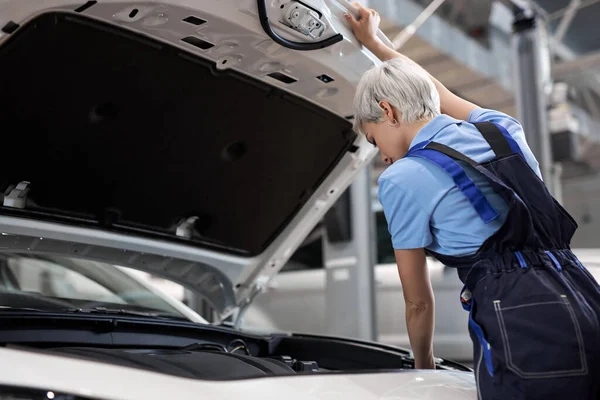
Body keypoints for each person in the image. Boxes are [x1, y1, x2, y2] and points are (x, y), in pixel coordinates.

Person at [344, 3, 600, 399]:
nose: (383, 157)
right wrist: (376, 44)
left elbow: (417, 303)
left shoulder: (402, 179)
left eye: (376, 140)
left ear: (387, 111)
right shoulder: (502, 129)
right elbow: (439, 93)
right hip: (582, 295)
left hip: (520, 320)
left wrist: (423, 367)